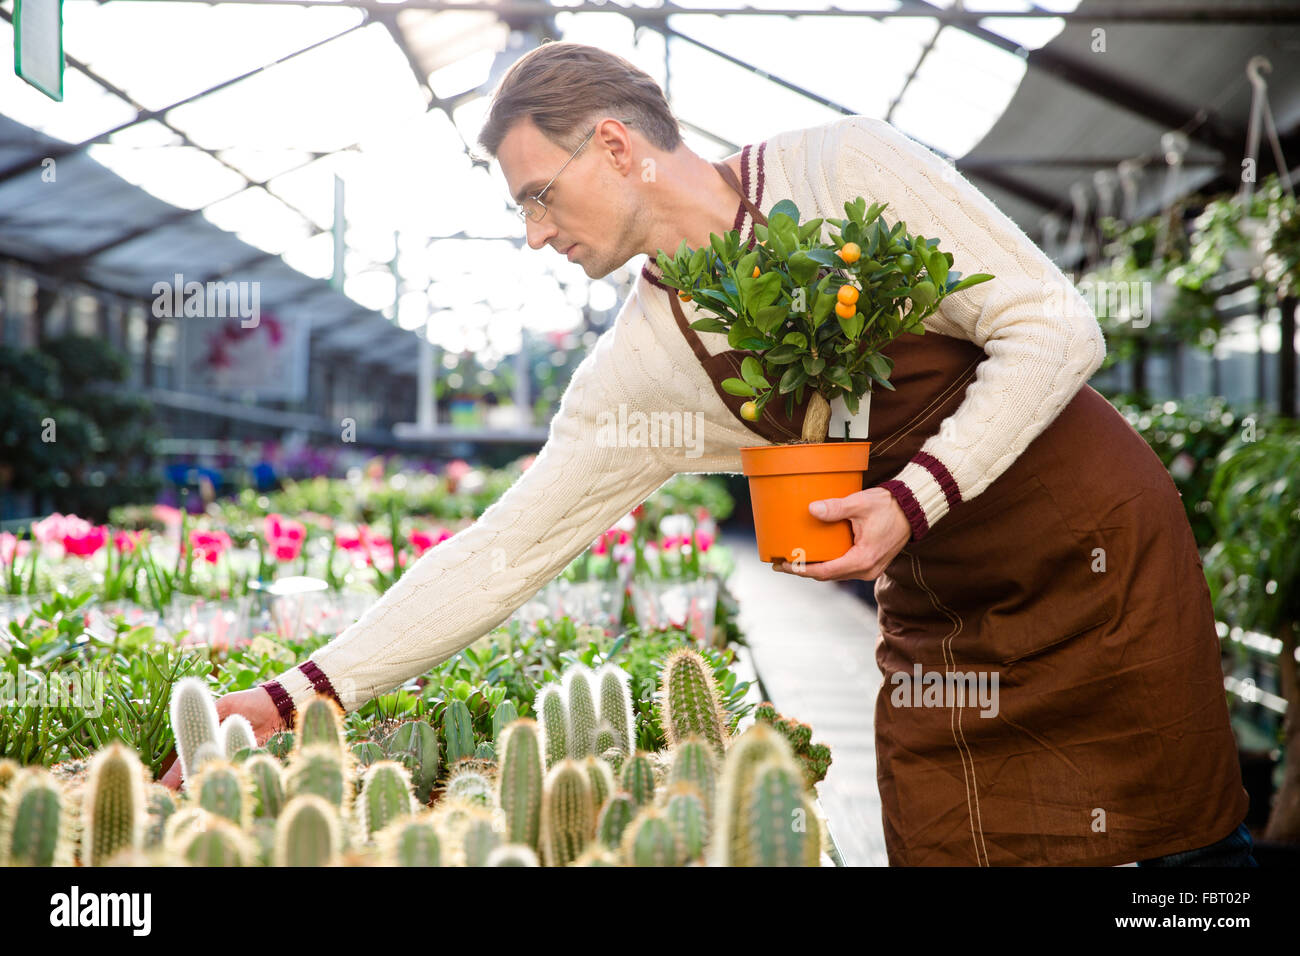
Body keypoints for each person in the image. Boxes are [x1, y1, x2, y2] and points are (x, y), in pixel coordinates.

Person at [162, 41, 1251, 869]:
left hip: (1090, 553)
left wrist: (914, 494)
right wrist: (304, 688)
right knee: (946, 835)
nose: (535, 233)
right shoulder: (643, 364)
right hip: (938, 614)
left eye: (539, 193)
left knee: (1168, 852)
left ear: (618, 146)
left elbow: (1056, 325)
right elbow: (505, 552)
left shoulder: (843, 170)